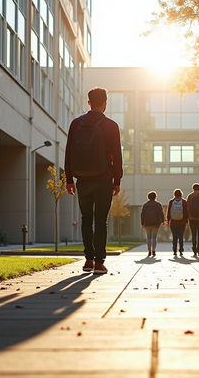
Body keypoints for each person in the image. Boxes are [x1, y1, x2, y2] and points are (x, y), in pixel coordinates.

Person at [65, 87, 123, 275]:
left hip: (82, 179)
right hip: (104, 179)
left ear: (88, 102)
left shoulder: (75, 124)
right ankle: (99, 263)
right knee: (100, 221)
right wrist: (117, 180)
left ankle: (88, 260)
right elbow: (117, 156)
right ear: (105, 103)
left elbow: (69, 153)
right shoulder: (111, 125)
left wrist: (69, 179)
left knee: (86, 219)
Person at [140, 191, 166, 256]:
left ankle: (149, 250)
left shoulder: (145, 205)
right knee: (154, 237)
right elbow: (161, 213)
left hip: (147, 223)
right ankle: (153, 250)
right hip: (156, 223)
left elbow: (142, 215)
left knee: (148, 237)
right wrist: (163, 221)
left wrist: (142, 223)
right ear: (155, 197)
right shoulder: (158, 205)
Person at [166, 188, 189, 257]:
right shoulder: (184, 202)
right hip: (182, 222)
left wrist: (168, 220)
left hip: (173, 222)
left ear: (174, 194)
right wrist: (186, 222)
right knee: (181, 236)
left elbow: (168, 212)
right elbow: (186, 212)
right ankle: (181, 250)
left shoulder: (171, 201)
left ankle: (174, 250)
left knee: (174, 236)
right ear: (181, 194)